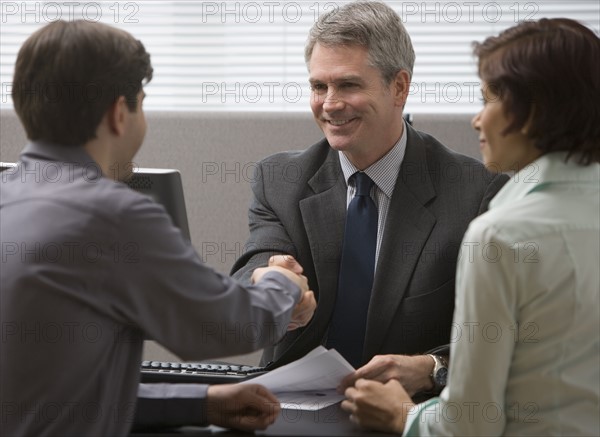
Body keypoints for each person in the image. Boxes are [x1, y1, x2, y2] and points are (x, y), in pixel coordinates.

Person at [0, 20, 317, 436]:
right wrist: (282, 284)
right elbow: (225, 325)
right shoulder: (111, 216)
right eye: (141, 104)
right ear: (118, 113)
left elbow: (47, 395)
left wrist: (197, 403)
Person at [231, 0, 507, 399]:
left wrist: (433, 367)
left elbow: (497, 338)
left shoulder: (476, 192)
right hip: (290, 409)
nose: (329, 104)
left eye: (348, 85)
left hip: (407, 416)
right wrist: (269, 282)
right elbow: (255, 264)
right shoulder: (280, 179)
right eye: (318, 86)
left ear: (399, 87)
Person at [341, 17, 600, 436]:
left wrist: (401, 415)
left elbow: (469, 425)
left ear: (531, 112)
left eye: (488, 101)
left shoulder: (500, 236)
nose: (477, 121)